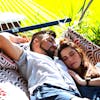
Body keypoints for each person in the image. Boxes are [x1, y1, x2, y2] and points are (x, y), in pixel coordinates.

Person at [0, 30, 89, 100]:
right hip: (49, 91)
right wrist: (18, 39)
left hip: (72, 93)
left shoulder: (60, 59)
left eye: (55, 43)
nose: (54, 45)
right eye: (50, 40)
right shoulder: (27, 56)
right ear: (35, 41)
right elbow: (1, 38)